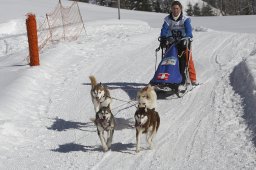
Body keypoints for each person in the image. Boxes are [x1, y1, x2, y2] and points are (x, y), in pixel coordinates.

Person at [159, 1, 198, 87]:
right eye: (173, 8)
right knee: (168, 60)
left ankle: (193, 79)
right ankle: (167, 78)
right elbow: (164, 30)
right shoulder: (168, 19)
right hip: (172, 43)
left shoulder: (185, 19)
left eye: (177, 8)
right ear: (171, 9)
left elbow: (189, 31)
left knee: (188, 59)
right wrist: (163, 38)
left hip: (183, 43)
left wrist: (187, 37)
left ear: (180, 9)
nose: (175, 10)